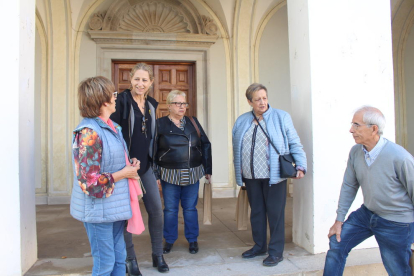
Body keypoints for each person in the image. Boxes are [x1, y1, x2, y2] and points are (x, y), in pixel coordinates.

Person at [323, 106, 414, 276]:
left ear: (374, 129)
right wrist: (339, 220)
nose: (351, 130)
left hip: (396, 221)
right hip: (368, 213)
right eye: (353, 125)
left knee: (398, 271)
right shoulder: (356, 152)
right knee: (337, 243)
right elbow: (349, 186)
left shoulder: (400, 157)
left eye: (357, 125)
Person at [70, 76, 143, 275]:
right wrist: (123, 173)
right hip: (98, 211)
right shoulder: (89, 133)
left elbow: (113, 161)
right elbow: (90, 183)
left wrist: (130, 163)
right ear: (103, 101)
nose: (116, 97)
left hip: (115, 207)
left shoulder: (112, 126)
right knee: (105, 265)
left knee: (120, 261)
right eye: (113, 94)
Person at [232, 83, 307, 267]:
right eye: (257, 99)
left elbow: (294, 142)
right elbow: (237, 147)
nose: (262, 102)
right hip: (251, 176)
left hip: (274, 175)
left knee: (275, 214)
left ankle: (275, 252)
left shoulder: (281, 117)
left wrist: (301, 165)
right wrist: (239, 171)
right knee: (257, 213)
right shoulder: (242, 120)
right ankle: (259, 246)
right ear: (250, 101)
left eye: (264, 98)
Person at [111, 63, 168, 274]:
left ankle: (157, 255)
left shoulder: (152, 105)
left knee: (156, 210)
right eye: (137, 79)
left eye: (145, 80)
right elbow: (113, 134)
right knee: (127, 214)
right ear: (130, 79)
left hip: (145, 168)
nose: (140, 84)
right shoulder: (121, 102)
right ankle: (130, 260)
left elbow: (152, 137)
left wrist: (153, 163)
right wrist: (124, 162)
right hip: (126, 169)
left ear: (151, 82)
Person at [153, 90, 212, 255]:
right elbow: (153, 150)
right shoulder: (160, 124)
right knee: (170, 209)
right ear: (169, 106)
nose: (182, 107)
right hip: (169, 173)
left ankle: (192, 239)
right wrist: (156, 174)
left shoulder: (193, 122)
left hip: (192, 172)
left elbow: (205, 144)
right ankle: (169, 240)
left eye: (184, 103)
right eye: (178, 103)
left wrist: (207, 169)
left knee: (190, 208)